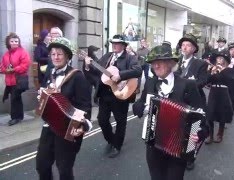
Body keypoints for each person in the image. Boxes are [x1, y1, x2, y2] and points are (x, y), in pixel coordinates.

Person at [132, 44, 208, 180]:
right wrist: (142, 108)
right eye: (153, 63)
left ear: (170, 63)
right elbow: (138, 104)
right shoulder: (150, 83)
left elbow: (201, 116)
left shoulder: (187, 85)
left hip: (178, 147)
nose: (155, 66)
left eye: (159, 62)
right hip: (153, 145)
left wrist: (199, 133)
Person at [35, 37, 92, 180]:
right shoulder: (49, 73)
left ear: (67, 56)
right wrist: (41, 97)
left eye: (59, 54)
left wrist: (83, 124)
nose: (55, 57)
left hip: (67, 129)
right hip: (49, 126)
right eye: (53, 54)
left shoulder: (77, 77)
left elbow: (85, 106)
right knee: (42, 165)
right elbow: (45, 92)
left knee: (64, 170)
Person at [84, 34, 142, 158]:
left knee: (120, 121)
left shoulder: (130, 58)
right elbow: (97, 71)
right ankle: (111, 140)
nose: (114, 45)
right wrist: (88, 65)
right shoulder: (107, 56)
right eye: (113, 43)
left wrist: (121, 75)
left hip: (121, 93)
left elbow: (138, 70)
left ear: (123, 45)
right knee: (102, 120)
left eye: (117, 43)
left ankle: (117, 145)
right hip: (105, 94)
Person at [176, 33, 208, 170]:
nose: (184, 48)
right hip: (178, 101)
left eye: (188, 45)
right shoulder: (175, 61)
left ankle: (191, 156)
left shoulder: (200, 63)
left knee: (194, 131)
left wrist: (189, 84)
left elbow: (203, 81)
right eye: (183, 45)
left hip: (195, 101)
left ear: (194, 49)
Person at [0, 32, 31, 126]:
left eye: (16, 41)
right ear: (8, 42)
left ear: (19, 42)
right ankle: (19, 116)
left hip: (18, 80)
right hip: (10, 81)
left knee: (14, 98)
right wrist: (5, 70)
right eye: (12, 41)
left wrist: (14, 69)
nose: (14, 43)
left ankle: (15, 118)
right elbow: (2, 66)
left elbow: (25, 65)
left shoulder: (22, 52)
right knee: (16, 98)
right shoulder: (6, 54)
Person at [205, 52, 234, 143]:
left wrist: (221, 70)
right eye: (218, 58)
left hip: (223, 92)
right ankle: (210, 135)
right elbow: (207, 80)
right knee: (210, 113)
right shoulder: (213, 69)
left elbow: (229, 79)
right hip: (213, 91)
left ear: (225, 61)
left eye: (221, 59)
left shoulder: (229, 70)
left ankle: (219, 135)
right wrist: (211, 72)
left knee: (222, 114)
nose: (219, 60)